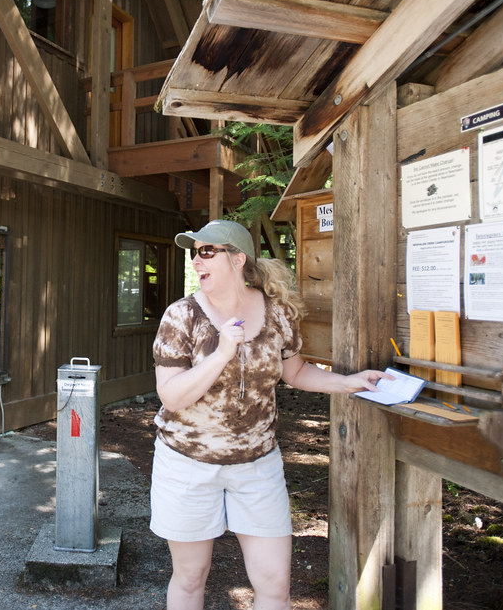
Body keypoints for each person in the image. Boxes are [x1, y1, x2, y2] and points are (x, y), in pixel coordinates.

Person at [150, 219, 387, 610]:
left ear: (238, 259)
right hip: (187, 464)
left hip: (257, 466)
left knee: (275, 584)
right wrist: (222, 353)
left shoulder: (277, 313)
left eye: (207, 251)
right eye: (194, 252)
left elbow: (294, 372)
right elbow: (172, 397)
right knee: (191, 577)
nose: (196, 260)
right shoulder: (182, 316)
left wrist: (350, 382)